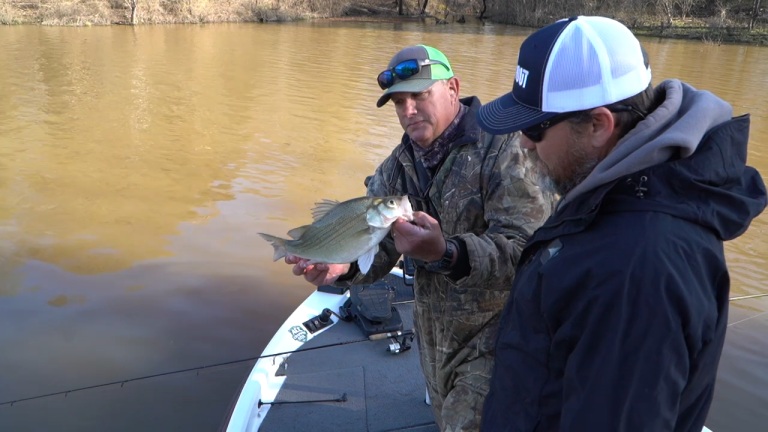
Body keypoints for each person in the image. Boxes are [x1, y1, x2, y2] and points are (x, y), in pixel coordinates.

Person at [475, 15, 768, 432]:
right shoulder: (610, 193)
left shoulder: (636, 269)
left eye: (535, 128)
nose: (523, 141)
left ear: (598, 125)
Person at [286, 44, 556, 431]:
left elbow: (529, 251)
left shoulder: (507, 148)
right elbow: (377, 252)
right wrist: (342, 268)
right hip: (432, 347)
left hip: (501, 341)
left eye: (419, 95)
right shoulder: (395, 168)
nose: (408, 110)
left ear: (452, 88)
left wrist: (449, 252)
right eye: (398, 102)